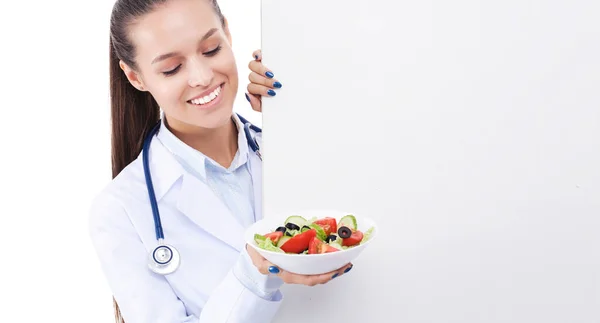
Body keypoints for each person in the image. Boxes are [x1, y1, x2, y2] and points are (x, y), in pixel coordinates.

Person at [88, 0, 353, 322]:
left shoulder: (288, 149)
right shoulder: (121, 209)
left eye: (212, 49)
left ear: (227, 31)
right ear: (135, 77)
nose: (202, 77)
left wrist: (295, 109)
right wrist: (254, 271)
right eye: (172, 68)